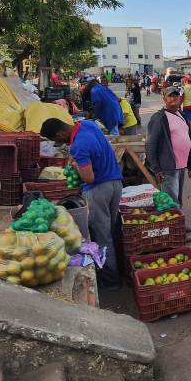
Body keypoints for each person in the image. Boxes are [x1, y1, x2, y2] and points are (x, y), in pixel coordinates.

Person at [40, 118, 123, 290]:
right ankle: (118, 270)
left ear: (61, 134)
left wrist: (76, 165)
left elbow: (88, 178)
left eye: (57, 140)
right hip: (115, 183)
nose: (59, 143)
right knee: (111, 230)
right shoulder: (88, 125)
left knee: (102, 235)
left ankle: (111, 281)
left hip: (98, 190)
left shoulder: (79, 145)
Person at [146, 86, 191, 238]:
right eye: (170, 96)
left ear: (180, 98)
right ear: (164, 99)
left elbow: (187, 140)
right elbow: (150, 145)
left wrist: (190, 163)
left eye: (176, 96)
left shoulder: (180, 114)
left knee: (177, 199)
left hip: (180, 166)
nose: (174, 98)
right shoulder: (159, 118)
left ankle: (179, 223)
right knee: (170, 201)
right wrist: (156, 168)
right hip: (168, 167)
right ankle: (176, 233)